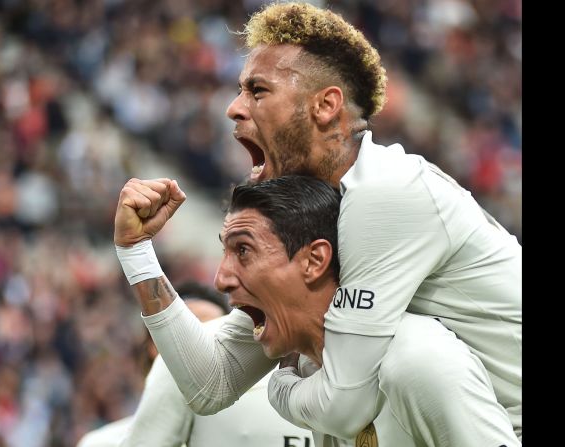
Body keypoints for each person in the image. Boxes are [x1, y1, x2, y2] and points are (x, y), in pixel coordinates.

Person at [114, 1, 521, 443]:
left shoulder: (389, 193)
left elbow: (345, 405)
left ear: (326, 106)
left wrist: (282, 382)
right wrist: (136, 254)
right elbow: (211, 382)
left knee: (404, 353)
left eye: (257, 90)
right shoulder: (318, 215)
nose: (234, 108)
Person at [115, 175, 518, 446]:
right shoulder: (313, 371)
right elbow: (206, 384)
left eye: (243, 251)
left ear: (314, 261)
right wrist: (135, 254)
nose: (221, 278)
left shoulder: (416, 360)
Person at [77, 281, 313, 447]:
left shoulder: (287, 408)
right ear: (154, 345)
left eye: (208, 330)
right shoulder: (101, 443)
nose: (194, 345)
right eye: (184, 331)